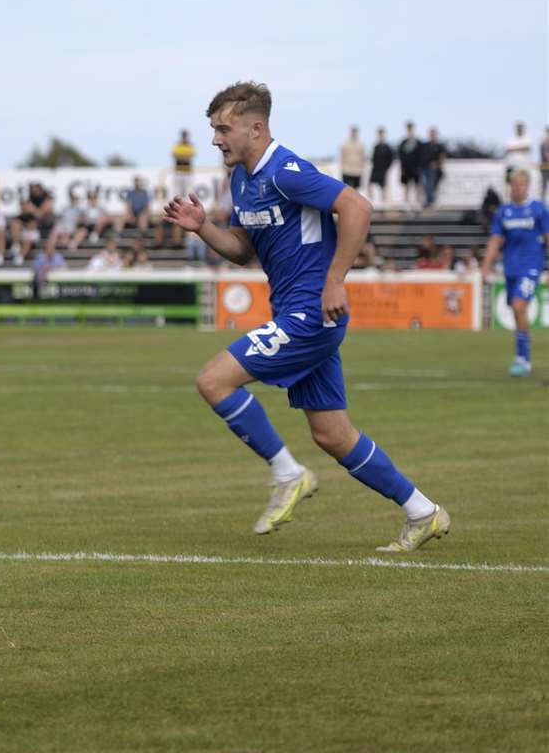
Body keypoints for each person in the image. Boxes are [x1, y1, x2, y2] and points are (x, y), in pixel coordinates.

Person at [163, 81, 449, 551]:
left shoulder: (286, 171)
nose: (215, 138)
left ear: (256, 129)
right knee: (332, 434)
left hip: (311, 314)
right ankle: (423, 512)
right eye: (213, 128)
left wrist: (336, 280)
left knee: (214, 380)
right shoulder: (242, 180)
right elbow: (242, 250)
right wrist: (204, 228)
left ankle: (287, 473)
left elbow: (356, 206)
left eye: (223, 128)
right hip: (298, 312)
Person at [478, 169, 548, 376]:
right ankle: (522, 357)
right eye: (514, 184)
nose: (517, 188)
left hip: (531, 267)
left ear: (527, 186)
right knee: (517, 310)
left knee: (518, 306)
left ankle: (523, 359)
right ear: (510, 186)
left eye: (521, 184)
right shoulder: (504, 212)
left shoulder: (538, 209)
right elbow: (495, 240)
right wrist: (485, 266)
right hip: (511, 268)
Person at [397, 122, 423, 206]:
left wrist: (419, 167)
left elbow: (421, 155)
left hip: (415, 168)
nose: (410, 131)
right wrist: (402, 168)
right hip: (406, 168)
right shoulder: (403, 142)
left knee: (417, 186)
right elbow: (401, 156)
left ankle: (418, 204)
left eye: (411, 129)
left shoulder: (418, 142)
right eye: (408, 129)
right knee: (406, 187)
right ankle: (406, 205)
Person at [421, 126, 446, 208]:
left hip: (435, 170)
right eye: (431, 134)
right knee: (425, 185)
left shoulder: (439, 146)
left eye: (434, 134)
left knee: (431, 185)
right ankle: (428, 201)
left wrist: (436, 164)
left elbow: (442, 158)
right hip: (425, 168)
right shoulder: (425, 145)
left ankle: (431, 201)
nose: (432, 136)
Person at [367, 127, 393, 205]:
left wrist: (386, 168)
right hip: (375, 168)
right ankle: (372, 201)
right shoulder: (376, 146)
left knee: (383, 187)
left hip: (383, 169)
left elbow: (390, 159)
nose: (381, 136)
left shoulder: (387, 147)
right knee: (370, 184)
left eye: (382, 134)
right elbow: (373, 158)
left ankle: (384, 201)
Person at [339, 126, 365, 190]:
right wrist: (342, 167)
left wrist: (362, 169)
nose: (354, 134)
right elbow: (342, 157)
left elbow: (363, 158)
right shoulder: (345, 144)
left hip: (357, 171)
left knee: (356, 191)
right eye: (353, 132)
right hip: (347, 170)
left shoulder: (361, 145)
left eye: (355, 132)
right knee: (347, 190)